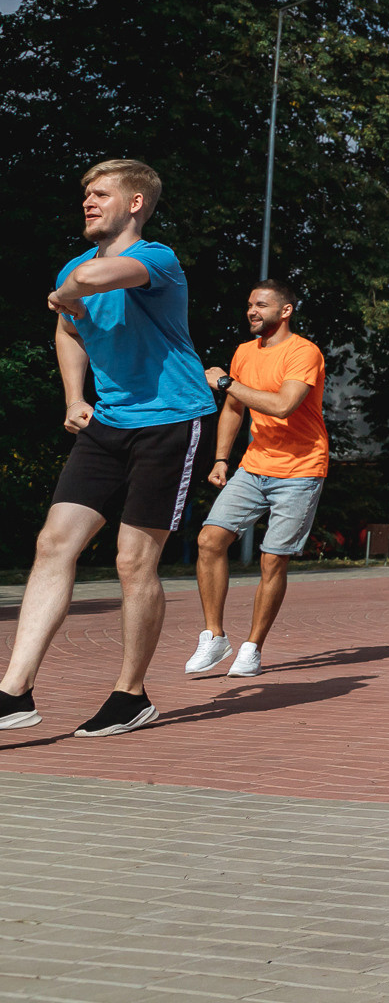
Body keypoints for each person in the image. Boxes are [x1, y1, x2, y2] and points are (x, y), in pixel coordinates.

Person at [0, 160, 214, 737]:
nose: (88, 202)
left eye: (101, 194)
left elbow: (88, 287)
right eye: (85, 195)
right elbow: (68, 329)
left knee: (132, 560)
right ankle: (13, 692)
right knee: (53, 543)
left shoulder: (156, 258)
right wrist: (74, 396)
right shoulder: (74, 267)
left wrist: (63, 291)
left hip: (172, 419)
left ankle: (130, 695)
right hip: (108, 423)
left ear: (136, 202)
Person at [187, 279, 330, 677]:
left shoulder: (304, 352)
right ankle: (214, 636)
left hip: (300, 469)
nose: (252, 311)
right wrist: (220, 458)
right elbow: (233, 408)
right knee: (210, 540)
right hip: (253, 465)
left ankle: (252, 646)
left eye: (261, 305)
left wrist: (226, 383)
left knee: (272, 560)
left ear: (285, 311)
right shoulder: (243, 352)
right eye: (249, 304)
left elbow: (284, 405)